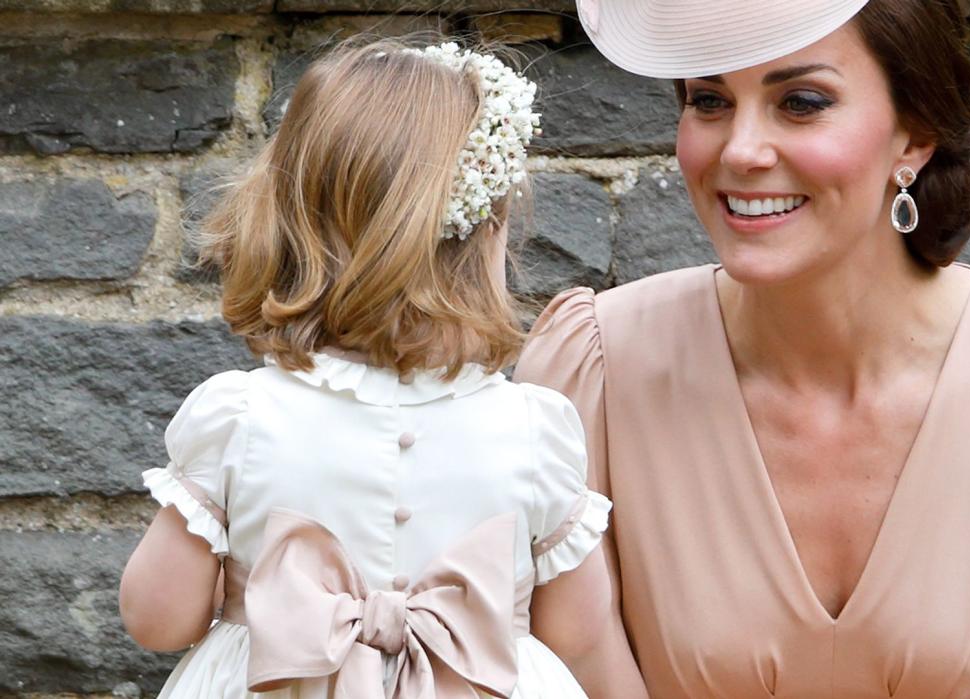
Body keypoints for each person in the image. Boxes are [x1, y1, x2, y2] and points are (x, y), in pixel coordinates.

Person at [515, 0, 970, 696]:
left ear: (914, 134)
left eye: (800, 102)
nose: (741, 150)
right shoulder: (595, 374)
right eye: (709, 100)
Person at [118, 37, 646, 699]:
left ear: (288, 222)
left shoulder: (239, 417)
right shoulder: (536, 429)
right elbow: (579, 632)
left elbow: (157, 616)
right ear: (487, 234)